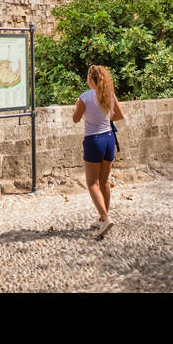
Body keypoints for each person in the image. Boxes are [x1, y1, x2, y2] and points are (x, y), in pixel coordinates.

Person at [73, 65, 125, 239]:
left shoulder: (84, 98)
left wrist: (78, 107)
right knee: (104, 181)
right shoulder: (109, 95)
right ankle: (103, 219)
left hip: (94, 141)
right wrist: (105, 118)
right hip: (109, 138)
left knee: (92, 183)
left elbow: (75, 119)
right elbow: (119, 115)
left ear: (91, 80)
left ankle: (105, 217)